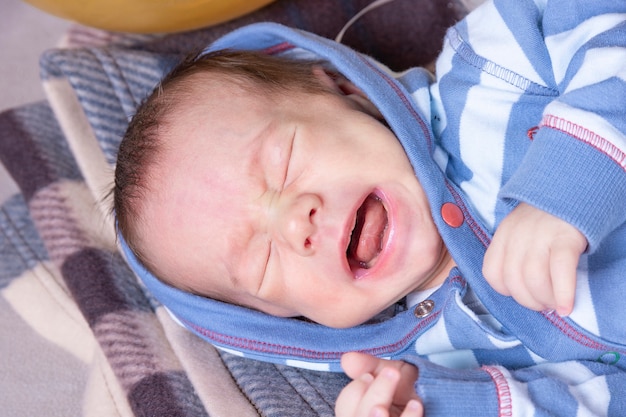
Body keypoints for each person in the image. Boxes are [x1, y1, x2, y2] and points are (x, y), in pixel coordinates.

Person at [114, 0, 626, 415]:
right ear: (283, 321)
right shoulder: (438, 359)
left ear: (346, 90)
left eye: (284, 161)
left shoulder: (488, 73)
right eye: (263, 261)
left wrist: (573, 176)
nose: (295, 222)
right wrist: (453, 405)